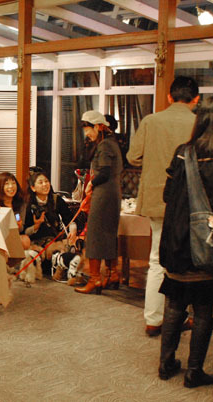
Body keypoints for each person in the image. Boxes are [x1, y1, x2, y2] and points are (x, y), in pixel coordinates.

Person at [157, 96, 213, 388]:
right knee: (203, 308)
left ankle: (166, 364)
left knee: (174, 303)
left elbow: (167, 196)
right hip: (205, 244)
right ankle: (194, 371)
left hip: (175, 241)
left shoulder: (183, 153)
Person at [127, 76, 200, 337]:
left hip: (157, 199)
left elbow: (133, 157)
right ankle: (181, 316)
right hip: (188, 201)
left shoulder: (150, 121)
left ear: (169, 97)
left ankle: (154, 319)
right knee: (186, 262)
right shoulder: (198, 123)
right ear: (196, 99)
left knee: (157, 260)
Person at [75, 111, 123, 295]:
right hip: (112, 193)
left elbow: (103, 172)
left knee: (94, 234)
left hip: (103, 194)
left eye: (88, 129)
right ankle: (112, 274)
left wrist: (91, 184)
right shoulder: (112, 143)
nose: (87, 134)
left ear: (97, 126)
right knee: (109, 234)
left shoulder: (104, 146)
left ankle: (94, 278)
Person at [23, 171, 74, 277]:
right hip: (34, 242)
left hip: (54, 240)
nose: (45, 184)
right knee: (34, 259)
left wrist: (73, 230)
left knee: (65, 253)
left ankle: (59, 261)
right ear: (33, 188)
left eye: (46, 181)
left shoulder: (56, 200)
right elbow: (24, 231)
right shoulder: (27, 204)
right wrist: (36, 226)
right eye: (40, 182)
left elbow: (70, 219)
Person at [0, 172, 30, 250]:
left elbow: (20, 228)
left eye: (13, 183)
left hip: (14, 235)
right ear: (0, 187)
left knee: (25, 240)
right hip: (0, 237)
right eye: (6, 184)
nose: (11, 186)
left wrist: (19, 225)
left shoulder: (20, 204)